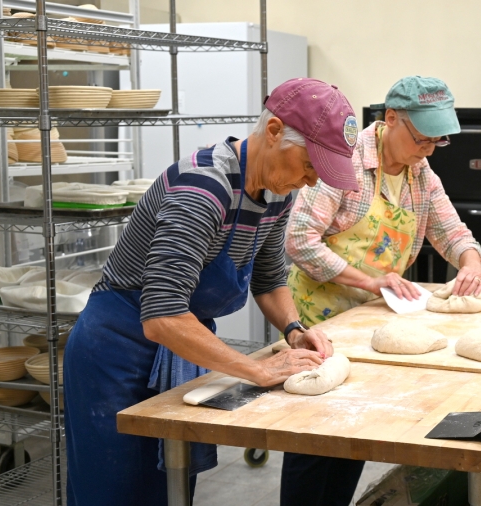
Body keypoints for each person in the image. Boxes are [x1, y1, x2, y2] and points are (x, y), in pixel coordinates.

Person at [63, 78, 360, 506]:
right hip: (117, 350)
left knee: (172, 486)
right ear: (274, 131)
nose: (311, 182)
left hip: (180, 343)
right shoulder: (202, 189)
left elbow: (270, 277)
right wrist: (258, 371)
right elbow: (163, 315)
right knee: (117, 489)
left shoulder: (277, 192)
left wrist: (295, 330)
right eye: (310, 166)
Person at [281, 76, 481, 505]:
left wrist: (470, 259)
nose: (428, 149)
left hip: (372, 317)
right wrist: (369, 280)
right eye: (421, 138)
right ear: (390, 118)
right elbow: (300, 239)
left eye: (437, 141)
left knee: (355, 429)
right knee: (314, 436)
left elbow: (449, 229)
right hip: (321, 318)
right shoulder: (342, 161)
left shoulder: (419, 172)